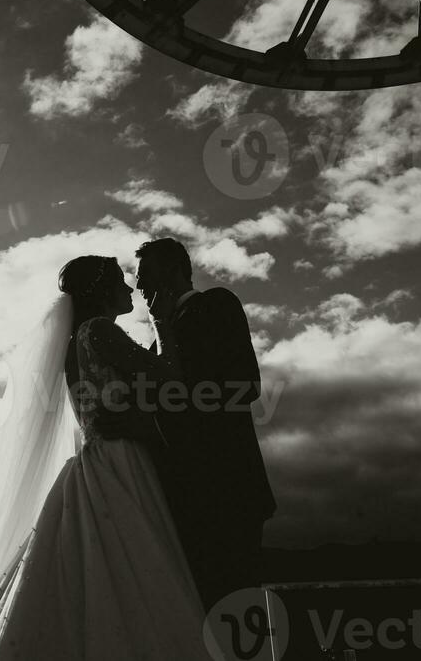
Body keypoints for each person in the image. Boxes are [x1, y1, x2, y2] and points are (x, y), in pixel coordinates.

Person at [0, 255, 210, 661]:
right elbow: (171, 377)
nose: (130, 290)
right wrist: (162, 321)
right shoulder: (99, 332)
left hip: (96, 458)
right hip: (120, 460)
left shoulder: (76, 342)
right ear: (102, 292)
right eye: (121, 283)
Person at [133, 238, 277, 612]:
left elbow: (245, 385)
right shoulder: (154, 348)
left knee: (235, 611)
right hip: (181, 498)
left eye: (144, 275)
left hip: (229, 489)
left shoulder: (217, 304)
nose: (138, 287)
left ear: (172, 271)